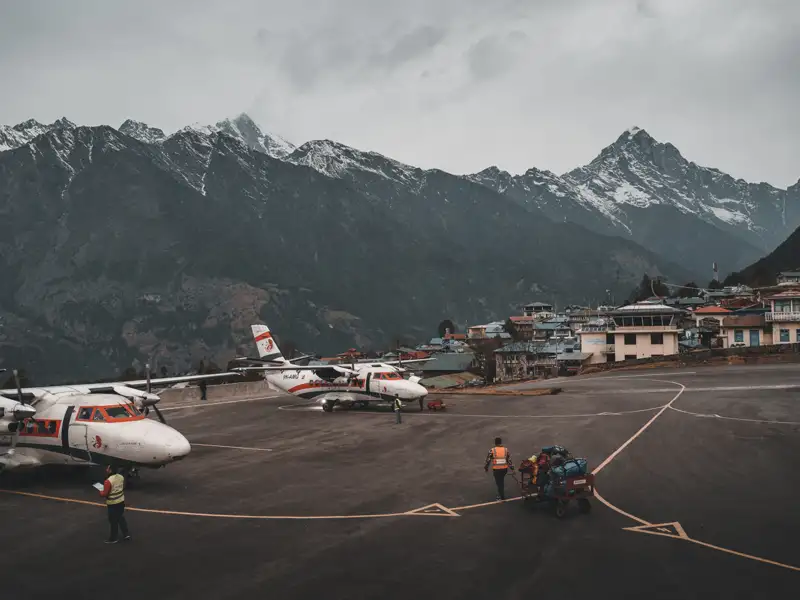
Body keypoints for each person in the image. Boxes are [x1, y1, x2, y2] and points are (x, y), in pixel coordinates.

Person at [99, 465, 131, 544]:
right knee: (120, 517)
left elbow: (104, 494)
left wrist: (100, 491)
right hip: (121, 501)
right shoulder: (121, 477)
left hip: (112, 503)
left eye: (108, 468)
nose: (106, 469)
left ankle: (113, 538)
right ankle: (126, 534)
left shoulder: (108, 481)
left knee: (113, 521)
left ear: (110, 470)